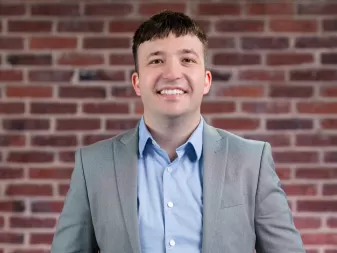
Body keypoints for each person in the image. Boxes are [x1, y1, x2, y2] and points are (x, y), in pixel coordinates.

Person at [51, 10, 305, 253]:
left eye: (187, 60)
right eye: (156, 60)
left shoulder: (252, 162)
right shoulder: (93, 165)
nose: (172, 73)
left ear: (206, 80)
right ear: (137, 82)